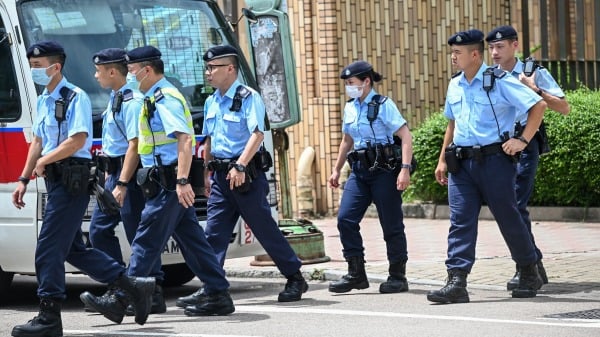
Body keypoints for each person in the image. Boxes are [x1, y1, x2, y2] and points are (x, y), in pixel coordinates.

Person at [11, 41, 155, 337]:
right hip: (53, 181)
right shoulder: (43, 99)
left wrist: (46, 161)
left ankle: (49, 315)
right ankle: (132, 286)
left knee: (48, 248)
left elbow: (78, 140)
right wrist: (24, 179)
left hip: (71, 181)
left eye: (38, 66)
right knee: (74, 249)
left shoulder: (75, 97)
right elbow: (37, 142)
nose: (34, 71)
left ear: (56, 67)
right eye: (32, 66)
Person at [80, 45, 235, 320]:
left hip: (169, 183)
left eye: (132, 71)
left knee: (145, 240)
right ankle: (217, 292)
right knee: (193, 241)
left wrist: (183, 180)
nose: (129, 76)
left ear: (147, 70)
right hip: (161, 180)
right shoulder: (151, 97)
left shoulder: (166, 98)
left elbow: (185, 139)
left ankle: (122, 298)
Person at [176, 45, 308, 306]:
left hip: (245, 178)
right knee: (213, 233)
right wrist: (206, 171)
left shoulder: (249, 98)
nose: (208, 73)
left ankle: (295, 277)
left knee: (264, 229)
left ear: (230, 69)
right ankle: (212, 286)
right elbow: (210, 139)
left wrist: (240, 166)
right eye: (207, 68)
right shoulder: (212, 101)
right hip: (221, 178)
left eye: (213, 68)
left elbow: (257, 134)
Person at [428, 29, 548, 304]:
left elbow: (538, 105)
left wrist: (522, 140)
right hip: (461, 164)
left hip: (495, 162)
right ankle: (457, 280)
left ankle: (529, 270)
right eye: (452, 53)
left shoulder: (500, 80)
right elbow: (452, 122)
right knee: (460, 222)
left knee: (508, 217)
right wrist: (442, 158)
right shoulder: (455, 84)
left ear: (474, 55)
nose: (453, 58)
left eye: (457, 53)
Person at [485, 25, 570, 291]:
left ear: (515, 46)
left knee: (515, 203)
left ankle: (528, 267)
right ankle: (534, 264)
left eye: (500, 47)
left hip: (525, 141)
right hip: (498, 146)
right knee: (510, 205)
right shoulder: (489, 77)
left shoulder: (533, 72)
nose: (495, 52)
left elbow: (563, 107)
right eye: (491, 48)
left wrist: (535, 90)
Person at [84, 48, 166, 314]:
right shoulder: (116, 96)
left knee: (136, 233)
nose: (95, 75)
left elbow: (134, 145)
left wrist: (121, 183)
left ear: (111, 71)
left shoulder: (131, 101)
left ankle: (151, 293)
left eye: (99, 70)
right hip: (115, 173)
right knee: (98, 230)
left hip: (128, 176)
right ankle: (122, 285)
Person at [327, 60, 414, 294]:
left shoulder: (384, 105)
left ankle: (397, 275)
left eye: (351, 82)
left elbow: (406, 136)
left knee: (391, 223)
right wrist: (336, 169)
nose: (348, 87)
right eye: (346, 83)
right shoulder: (350, 107)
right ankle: (356, 273)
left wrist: (405, 168)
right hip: (359, 171)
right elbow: (347, 140)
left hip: (385, 171)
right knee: (345, 219)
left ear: (366, 81)